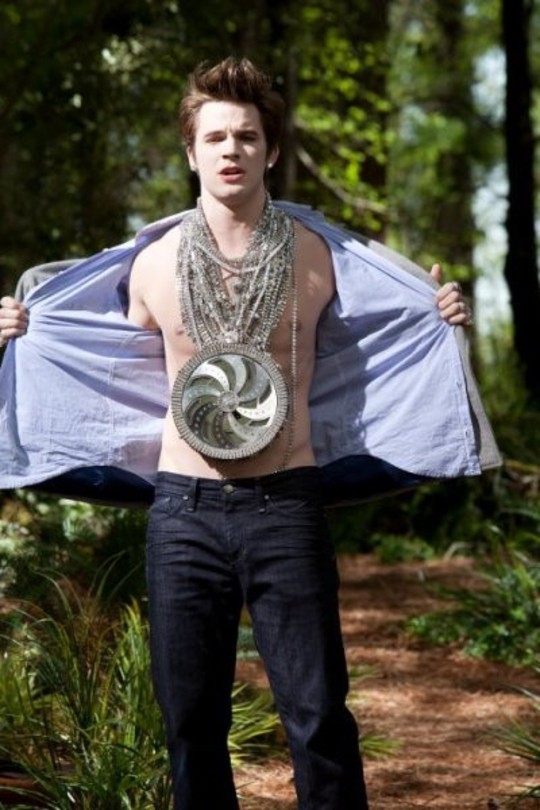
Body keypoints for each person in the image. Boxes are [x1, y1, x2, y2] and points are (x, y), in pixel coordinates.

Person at [0, 58, 499, 810]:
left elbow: (392, 329)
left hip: (287, 505)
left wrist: (442, 315)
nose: (230, 149)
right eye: (215, 137)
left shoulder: (320, 255)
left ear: (270, 150)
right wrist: (24, 330)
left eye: (246, 136)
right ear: (191, 152)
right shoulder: (152, 264)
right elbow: (92, 353)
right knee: (190, 723)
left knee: (318, 716)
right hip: (184, 512)